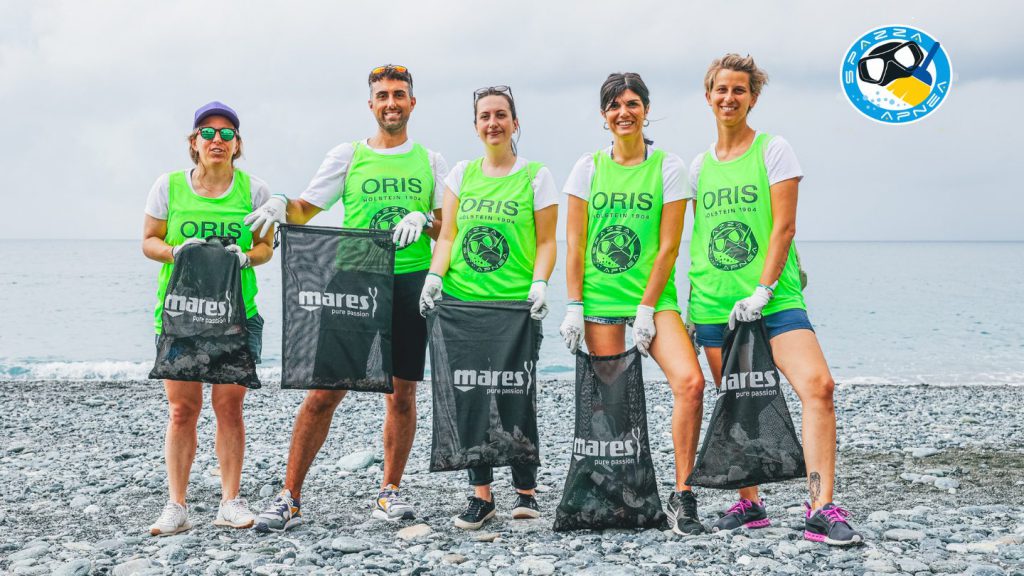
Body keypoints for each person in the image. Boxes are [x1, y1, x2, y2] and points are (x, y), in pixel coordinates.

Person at [244, 65, 448, 529]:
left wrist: (424, 218)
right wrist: (279, 202)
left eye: (399, 94)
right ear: (371, 105)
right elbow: (305, 207)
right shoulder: (349, 155)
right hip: (355, 280)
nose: (391, 102)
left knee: (401, 393)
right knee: (323, 393)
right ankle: (289, 496)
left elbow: (446, 226)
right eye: (382, 95)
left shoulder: (431, 160)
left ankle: (389, 492)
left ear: (412, 103)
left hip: (410, 280)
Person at [688, 54, 862, 545]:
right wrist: (688, 306)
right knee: (738, 403)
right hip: (714, 306)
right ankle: (750, 503)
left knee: (819, 387)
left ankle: (821, 507)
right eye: (721, 90)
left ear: (753, 98)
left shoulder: (773, 150)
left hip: (775, 299)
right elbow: (701, 238)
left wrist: (763, 290)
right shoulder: (700, 166)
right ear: (708, 97)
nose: (729, 98)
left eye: (739, 90)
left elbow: (784, 226)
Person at [558, 73, 708, 535]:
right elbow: (575, 243)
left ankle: (684, 495)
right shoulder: (587, 167)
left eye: (632, 103)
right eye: (614, 106)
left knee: (690, 383)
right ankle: (619, 494)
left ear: (646, 109)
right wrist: (574, 305)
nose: (624, 112)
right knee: (611, 403)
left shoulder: (668, 166)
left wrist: (646, 309)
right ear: (604, 116)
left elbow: (668, 248)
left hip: (653, 299)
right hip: (600, 299)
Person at [419, 86, 558, 530]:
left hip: (515, 309)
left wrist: (540, 283)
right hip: (464, 303)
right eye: (485, 116)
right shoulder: (461, 173)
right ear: (476, 126)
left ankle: (526, 491)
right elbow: (447, 236)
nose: (493, 122)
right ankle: (481, 496)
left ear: (515, 123)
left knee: (516, 393)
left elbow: (546, 241)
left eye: (501, 115)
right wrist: (435, 277)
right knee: (471, 396)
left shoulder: (536, 175)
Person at [142, 101, 274, 535]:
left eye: (226, 133)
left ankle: (229, 501)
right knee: (182, 411)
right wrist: (175, 251)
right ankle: (176, 505)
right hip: (180, 317)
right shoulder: (170, 186)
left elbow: (265, 249)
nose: (216, 139)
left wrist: (247, 259)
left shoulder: (255, 191)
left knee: (229, 408)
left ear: (237, 144)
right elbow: (149, 241)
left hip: (236, 315)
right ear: (193, 143)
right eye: (207, 132)